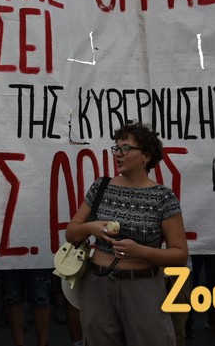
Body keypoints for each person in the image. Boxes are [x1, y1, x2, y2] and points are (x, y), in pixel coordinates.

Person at [65, 122, 188, 346]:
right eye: (116, 148)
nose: (118, 154)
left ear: (146, 156)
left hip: (143, 288)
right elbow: (71, 233)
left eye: (126, 148)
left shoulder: (163, 197)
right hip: (98, 286)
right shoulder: (101, 187)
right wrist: (91, 228)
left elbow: (180, 255)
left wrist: (140, 252)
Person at [0, 267, 54, 346]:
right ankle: (19, 344)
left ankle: (43, 344)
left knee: (41, 297)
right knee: (13, 298)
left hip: (40, 261)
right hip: (8, 262)